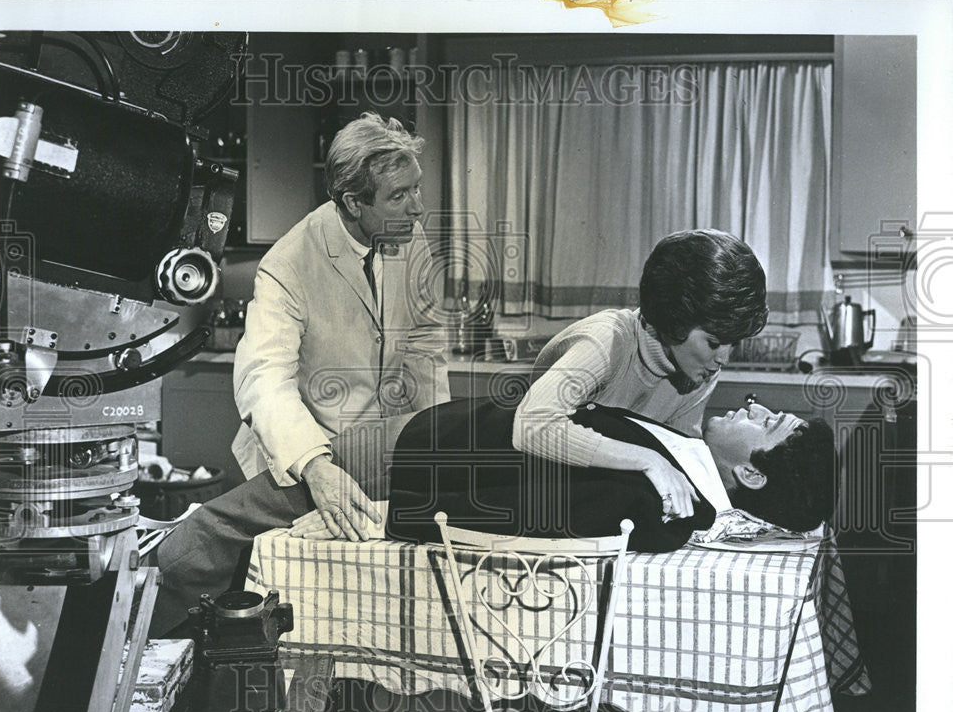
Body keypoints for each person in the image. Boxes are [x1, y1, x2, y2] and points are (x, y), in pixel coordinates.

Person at [149, 113, 449, 637]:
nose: (418, 207)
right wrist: (316, 467)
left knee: (373, 600)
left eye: (417, 189)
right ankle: (144, 636)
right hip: (317, 450)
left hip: (391, 448)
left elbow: (425, 348)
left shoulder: (412, 239)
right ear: (353, 202)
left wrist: (433, 448)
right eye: (400, 195)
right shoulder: (289, 262)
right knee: (211, 542)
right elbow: (264, 377)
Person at [513, 229, 769, 525]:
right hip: (536, 497)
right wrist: (647, 460)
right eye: (713, 342)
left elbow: (680, 455)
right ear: (675, 318)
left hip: (608, 507)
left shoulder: (700, 372)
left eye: (732, 344)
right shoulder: (607, 340)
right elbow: (531, 426)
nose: (723, 359)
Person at [375, 397, 836, 552]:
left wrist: (395, 513)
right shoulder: (686, 468)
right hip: (442, 432)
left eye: (767, 422)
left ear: (751, 475)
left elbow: (528, 511)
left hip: (420, 460)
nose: (755, 406)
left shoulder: (662, 503)